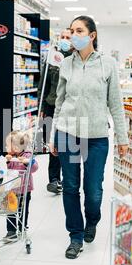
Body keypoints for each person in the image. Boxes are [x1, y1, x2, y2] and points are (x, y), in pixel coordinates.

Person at [49, 16, 129, 259]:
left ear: (92, 35)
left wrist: (122, 138)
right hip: (68, 132)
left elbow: (115, 103)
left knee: (93, 189)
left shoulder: (108, 64)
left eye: (79, 30)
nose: (73, 35)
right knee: (71, 187)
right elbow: (60, 102)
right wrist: (53, 135)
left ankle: (91, 221)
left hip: (96, 136)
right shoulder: (66, 64)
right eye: (71, 31)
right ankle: (75, 235)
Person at [40, 28, 74, 195]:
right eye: (63, 37)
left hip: (71, 107)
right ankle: (54, 180)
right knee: (54, 144)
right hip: (52, 105)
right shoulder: (52, 59)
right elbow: (44, 83)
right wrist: (41, 108)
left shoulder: (77, 59)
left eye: (68, 37)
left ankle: (69, 179)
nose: (65, 40)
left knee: (69, 144)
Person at [3, 130, 39, 243]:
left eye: (7, 145)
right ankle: (11, 231)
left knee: (23, 209)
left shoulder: (27, 156)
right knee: (11, 210)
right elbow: (4, 170)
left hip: (24, 190)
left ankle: (22, 226)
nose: (5, 147)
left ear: (16, 147)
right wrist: (6, 162)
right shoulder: (10, 157)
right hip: (11, 190)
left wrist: (27, 162)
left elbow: (35, 168)